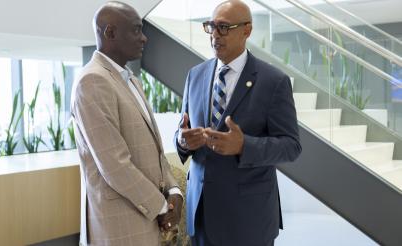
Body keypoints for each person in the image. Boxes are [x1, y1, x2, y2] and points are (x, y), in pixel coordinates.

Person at [174, 1, 302, 245]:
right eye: (211, 26)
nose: (214, 35)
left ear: (247, 30)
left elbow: (291, 146)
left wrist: (244, 146)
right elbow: (183, 129)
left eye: (223, 27)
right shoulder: (195, 75)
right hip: (200, 215)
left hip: (248, 219)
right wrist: (182, 141)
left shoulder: (273, 81)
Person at [71, 2, 182, 245]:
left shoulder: (131, 80)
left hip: (146, 217)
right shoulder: (91, 81)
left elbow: (155, 150)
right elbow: (115, 165)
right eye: (135, 30)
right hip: (121, 225)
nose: (144, 38)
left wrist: (174, 191)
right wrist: (162, 207)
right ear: (110, 33)